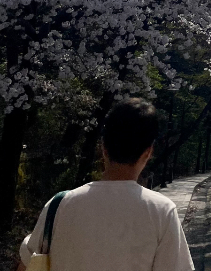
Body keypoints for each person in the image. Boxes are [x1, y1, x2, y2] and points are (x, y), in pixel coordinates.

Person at [19, 98, 194, 271]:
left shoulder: (58, 206)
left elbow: (26, 265)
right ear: (147, 153)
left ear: (103, 147)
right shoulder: (161, 211)